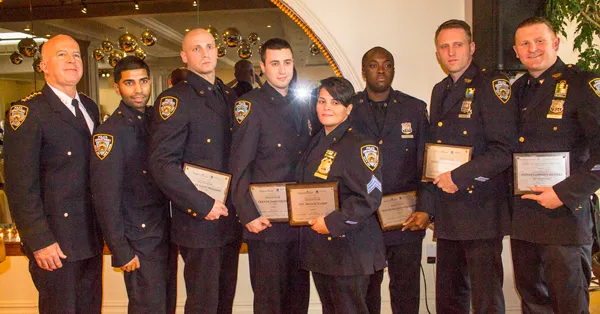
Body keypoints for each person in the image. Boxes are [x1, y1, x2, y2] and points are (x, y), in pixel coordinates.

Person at [404, 19, 518, 313]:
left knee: (485, 299)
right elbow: (433, 153)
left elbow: (504, 150)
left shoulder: (493, 84)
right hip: (447, 211)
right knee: (449, 298)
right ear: (437, 53)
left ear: (472, 47)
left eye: (458, 44)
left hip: (481, 210)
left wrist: (460, 177)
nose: (451, 52)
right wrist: (428, 206)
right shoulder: (439, 90)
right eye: (444, 46)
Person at [4, 34, 103, 314]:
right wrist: (39, 241)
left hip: (90, 236)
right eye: (61, 55)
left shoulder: (89, 107)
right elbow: (20, 186)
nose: (71, 60)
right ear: (43, 66)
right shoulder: (28, 112)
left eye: (75, 55)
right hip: (55, 242)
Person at [511, 16, 600, 314]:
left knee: (570, 306)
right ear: (516, 51)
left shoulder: (582, 84)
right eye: (525, 43)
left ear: (556, 43)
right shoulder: (515, 91)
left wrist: (563, 193)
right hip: (524, 219)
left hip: (565, 219)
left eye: (539, 41)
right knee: (533, 304)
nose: (532, 48)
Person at [148, 28, 241, 313]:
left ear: (217, 51)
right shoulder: (174, 100)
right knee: (203, 304)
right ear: (184, 56)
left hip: (229, 219)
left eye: (209, 46)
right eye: (196, 48)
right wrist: (202, 204)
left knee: (224, 301)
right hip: (199, 221)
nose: (205, 53)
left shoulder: (228, 95)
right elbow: (162, 163)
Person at [230, 38, 312, 314]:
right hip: (266, 226)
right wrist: (248, 214)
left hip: (299, 225)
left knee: (298, 300)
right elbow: (239, 165)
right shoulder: (250, 105)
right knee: (269, 303)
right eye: (275, 63)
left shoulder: (303, 104)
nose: (282, 70)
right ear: (262, 67)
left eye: (287, 63)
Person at [90, 56, 175, 313]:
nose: (139, 90)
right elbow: (105, 198)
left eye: (143, 81)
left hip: (163, 232)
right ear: (117, 88)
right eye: (130, 83)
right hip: (137, 238)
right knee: (148, 307)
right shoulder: (109, 133)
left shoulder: (156, 121)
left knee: (165, 305)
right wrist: (120, 250)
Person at [297, 76, 386, 313]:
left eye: (335, 103)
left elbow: (370, 197)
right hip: (324, 253)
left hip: (352, 253)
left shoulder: (360, 145)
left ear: (348, 109)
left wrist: (332, 222)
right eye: (322, 101)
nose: (327, 107)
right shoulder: (317, 141)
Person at [350, 47, 429, 314]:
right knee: (367, 291)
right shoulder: (349, 109)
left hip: (405, 217)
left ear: (394, 70)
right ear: (363, 72)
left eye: (387, 65)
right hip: (364, 219)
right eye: (373, 65)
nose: (381, 70)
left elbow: (425, 163)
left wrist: (426, 209)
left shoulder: (415, 108)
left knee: (406, 291)